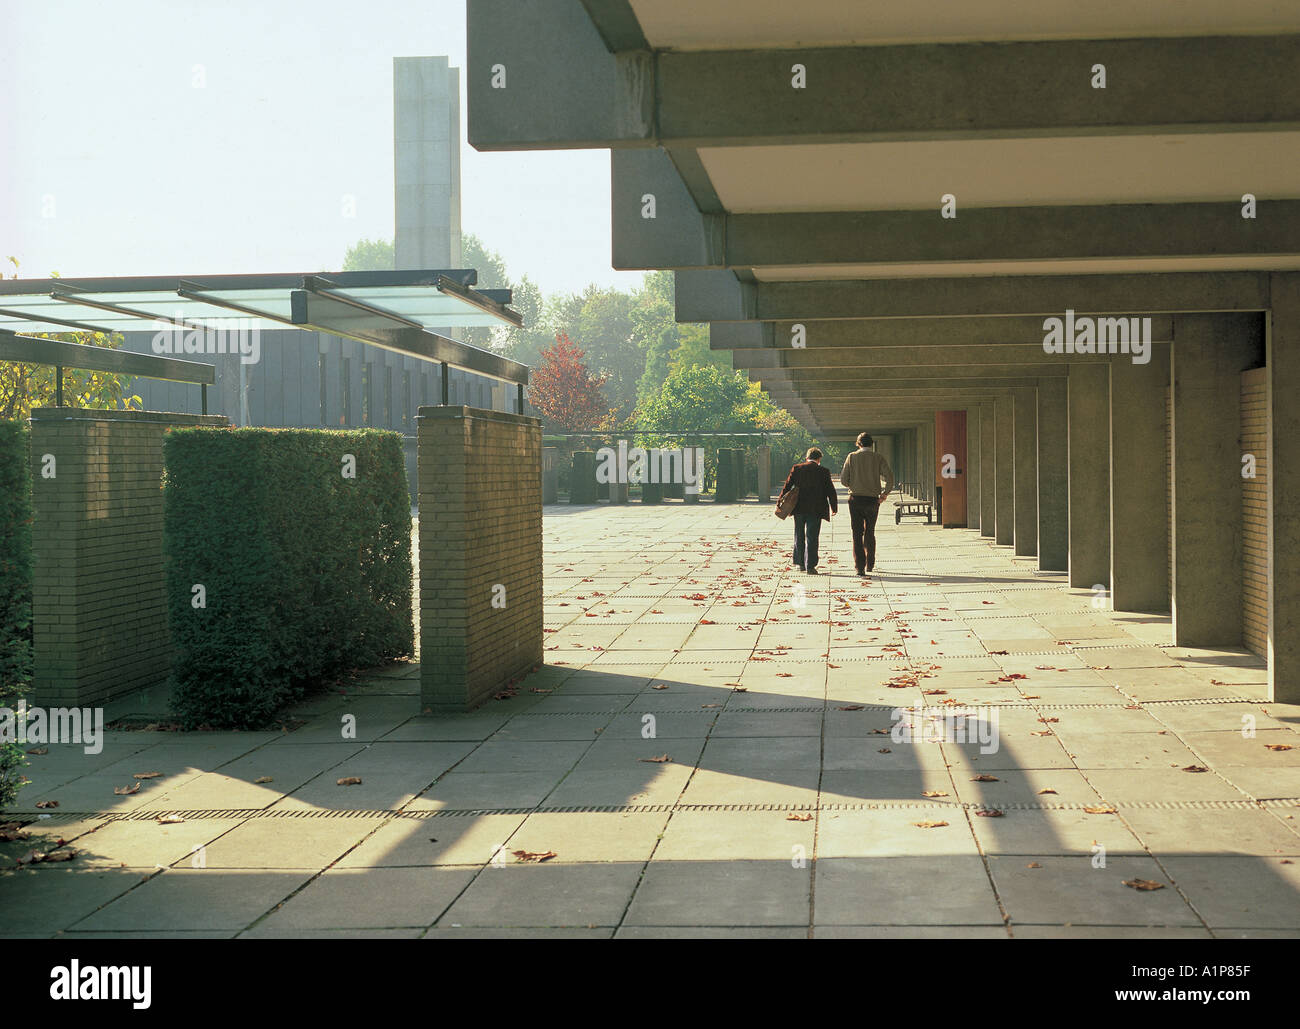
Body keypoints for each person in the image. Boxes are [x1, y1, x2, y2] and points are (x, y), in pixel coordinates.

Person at [840, 432, 896, 576]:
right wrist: (884, 494)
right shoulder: (878, 457)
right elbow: (890, 477)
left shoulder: (852, 457)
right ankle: (870, 563)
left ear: (858, 443)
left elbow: (844, 480)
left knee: (857, 533)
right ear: (872, 444)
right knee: (870, 531)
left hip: (856, 499)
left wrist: (853, 483)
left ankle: (860, 567)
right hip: (872, 500)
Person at [779, 447, 838, 574]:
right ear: (819, 459)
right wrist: (834, 507)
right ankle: (810, 566)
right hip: (816, 508)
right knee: (812, 536)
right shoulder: (823, 471)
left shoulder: (797, 468)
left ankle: (800, 563)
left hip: (798, 507)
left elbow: (787, 486)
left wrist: (779, 502)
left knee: (799, 534)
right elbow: (830, 490)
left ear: (807, 457)